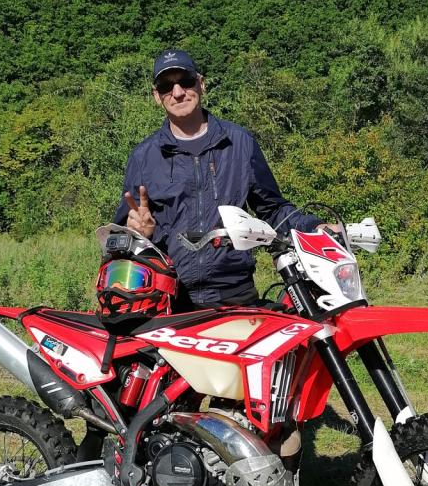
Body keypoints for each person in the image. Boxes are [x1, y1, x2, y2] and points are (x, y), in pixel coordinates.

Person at [113, 49, 324, 309]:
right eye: (166, 86)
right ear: (157, 96)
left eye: (186, 81)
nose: (177, 92)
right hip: (169, 299)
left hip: (236, 295)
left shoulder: (239, 143)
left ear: (201, 83)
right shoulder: (143, 156)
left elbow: (273, 210)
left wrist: (315, 228)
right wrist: (139, 234)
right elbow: (121, 239)